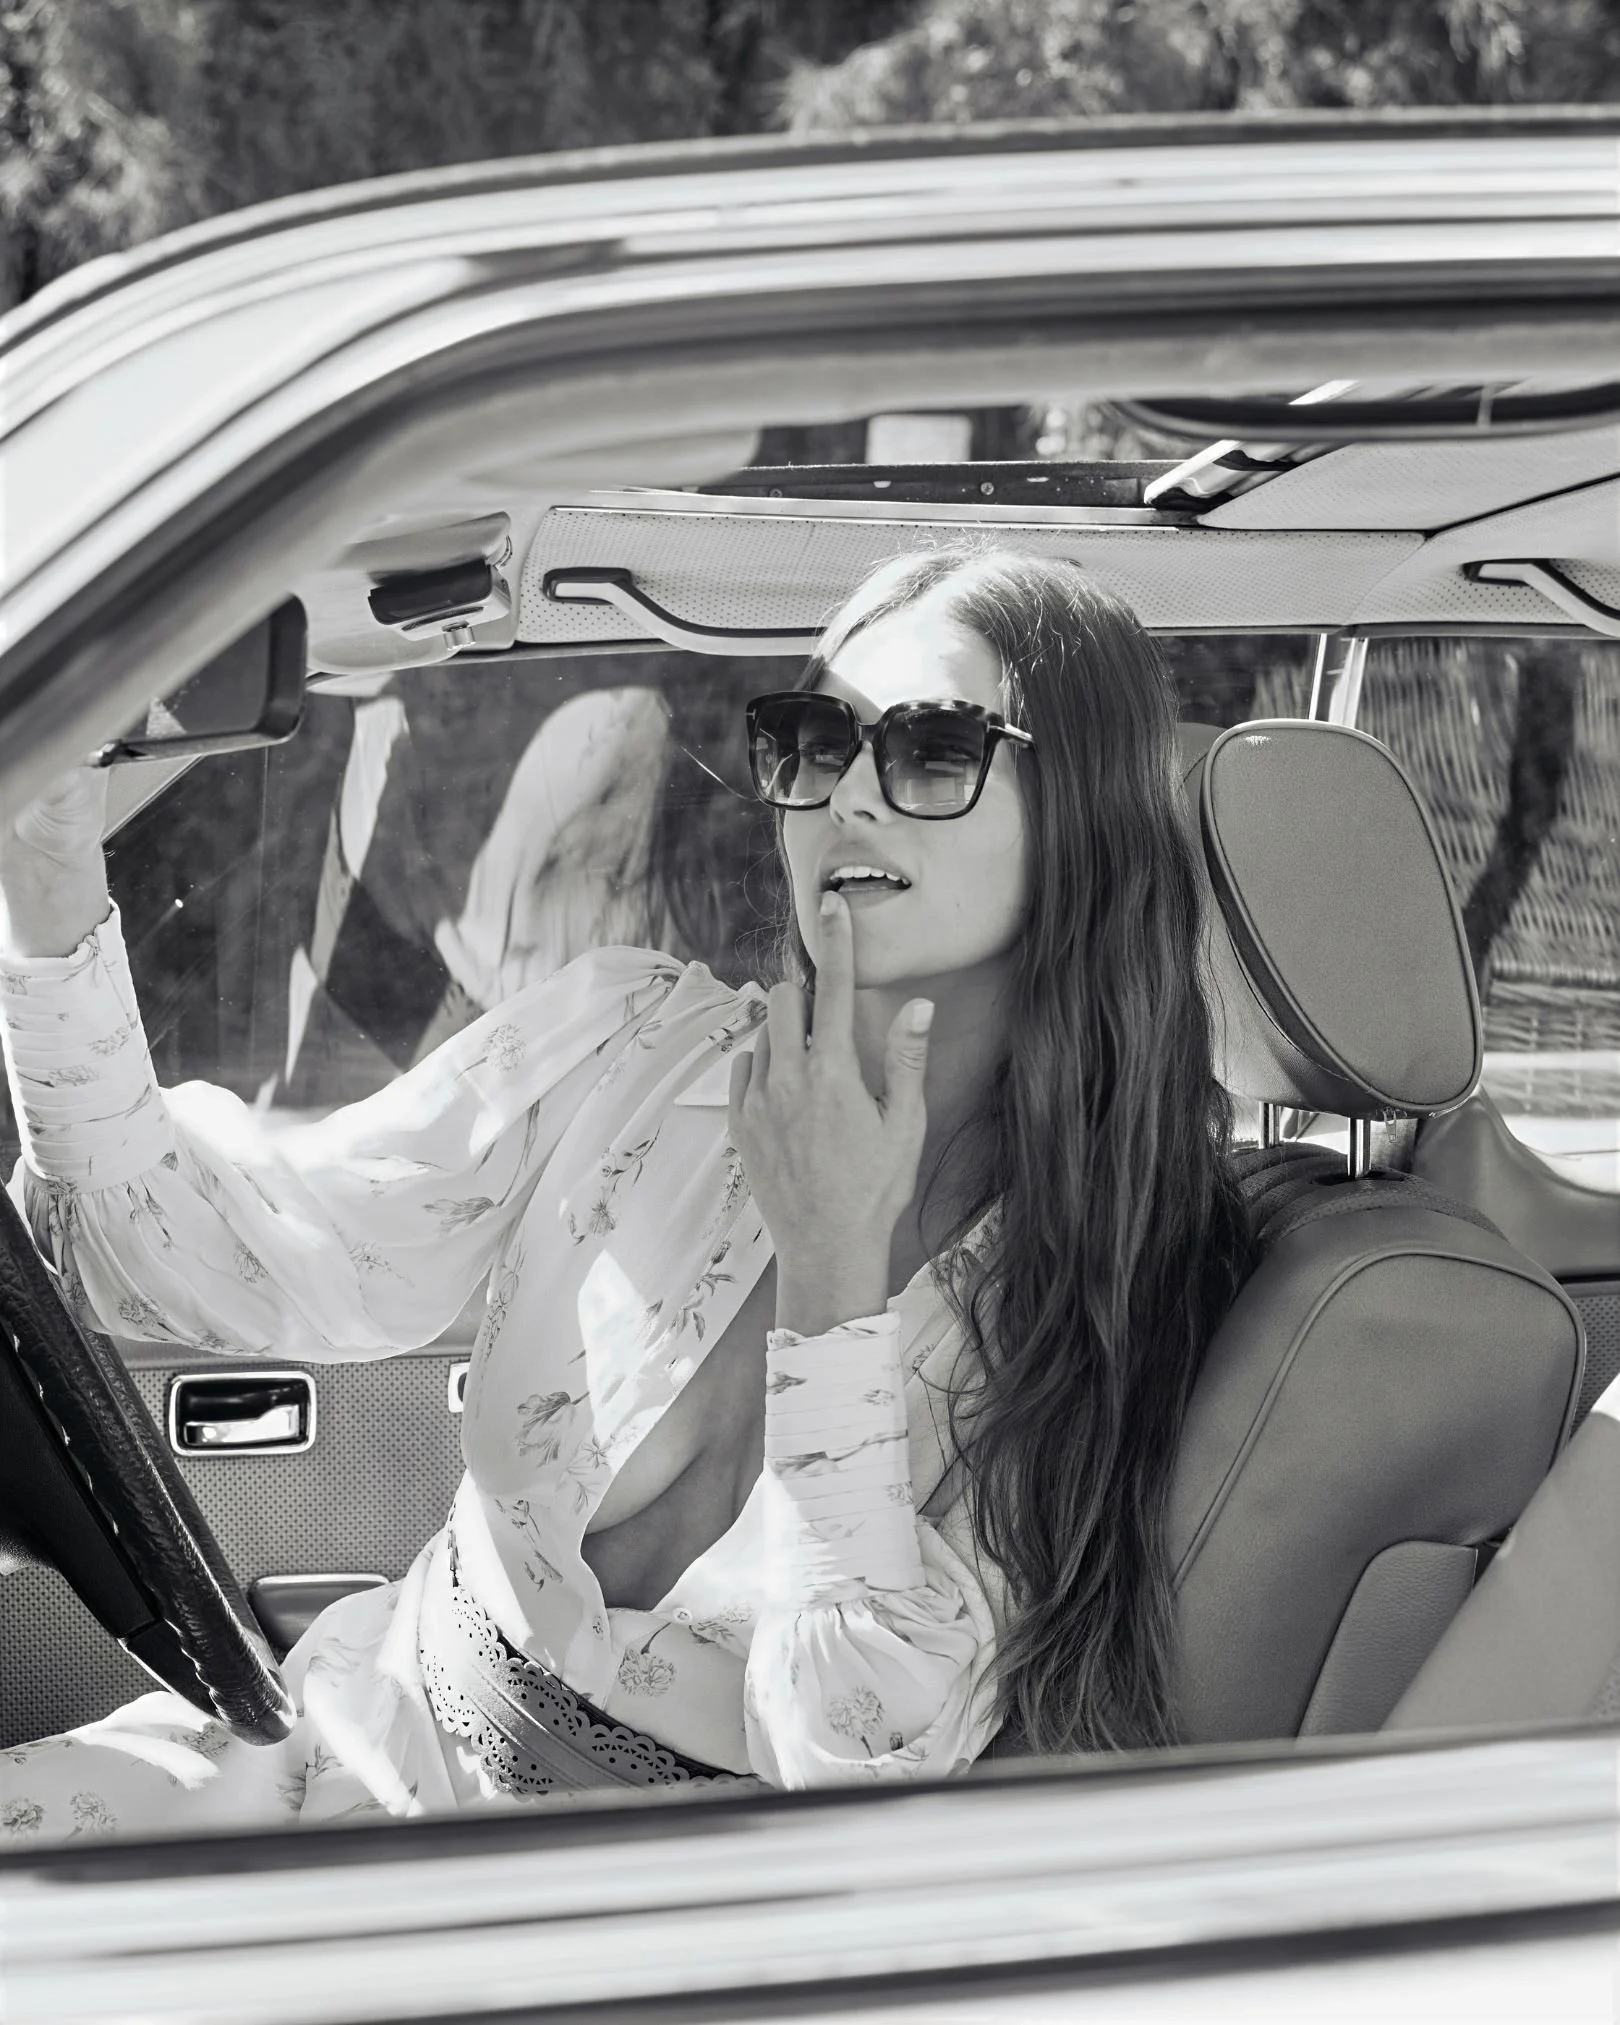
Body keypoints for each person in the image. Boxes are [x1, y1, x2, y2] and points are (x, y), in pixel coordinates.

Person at [0, 550, 1250, 1845]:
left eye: (935, 749)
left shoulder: (1123, 1280)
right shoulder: (632, 1040)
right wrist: (47, 891)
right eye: (817, 742)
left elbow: (862, 1762)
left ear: (1087, 817)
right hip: (336, 1741)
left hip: (634, 1923)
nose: (850, 796)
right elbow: (193, 1253)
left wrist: (836, 1279)